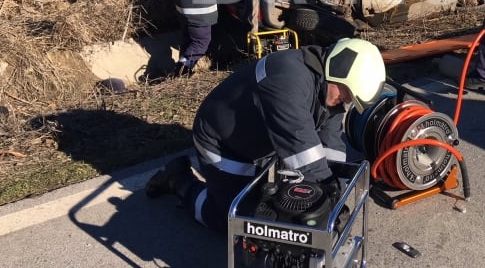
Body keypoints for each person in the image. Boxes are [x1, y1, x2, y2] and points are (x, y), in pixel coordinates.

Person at [145, 38, 387, 233]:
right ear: (337, 69)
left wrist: (337, 185)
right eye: (346, 94)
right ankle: (178, 181)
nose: (344, 102)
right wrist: (329, 196)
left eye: (350, 100)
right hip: (222, 143)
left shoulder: (327, 86)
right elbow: (302, 150)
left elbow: (330, 140)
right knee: (236, 223)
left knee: (273, 207)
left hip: (260, 142)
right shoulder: (287, 81)